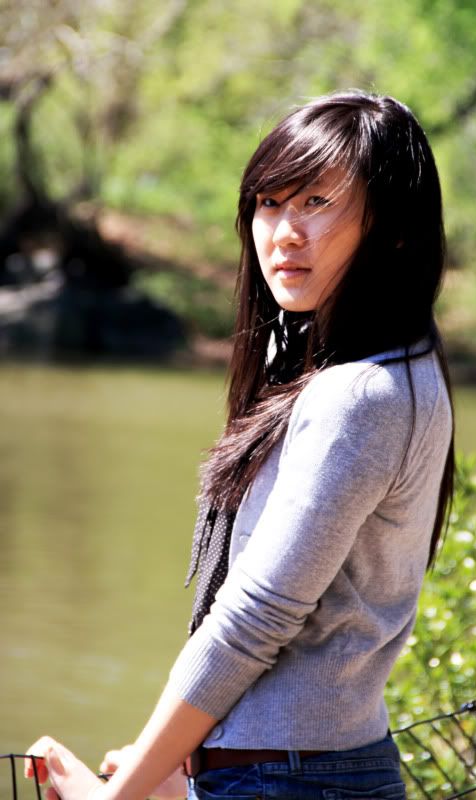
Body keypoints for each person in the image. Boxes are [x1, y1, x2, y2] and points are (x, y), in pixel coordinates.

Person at [26, 90, 454, 800]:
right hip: (310, 764)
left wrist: (121, 794)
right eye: (269, 202)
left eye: (316, 202)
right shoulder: (409, 369)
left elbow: (255, 618)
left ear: (394, 228)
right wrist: (173, 762)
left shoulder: (358, 396)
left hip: (287, 779)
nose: (284, 231)